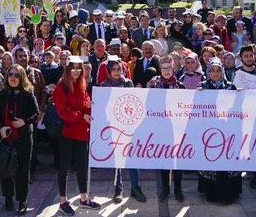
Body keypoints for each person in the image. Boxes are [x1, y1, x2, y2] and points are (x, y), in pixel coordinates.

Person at [53, 56, 100, 216]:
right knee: (64, 167)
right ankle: (63, 201)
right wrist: (82, 115)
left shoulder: (82, 84)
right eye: (73, 67)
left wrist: (88, 108)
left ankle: (84, 198)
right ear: (67, 69)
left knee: (82, 165)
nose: (76, 71)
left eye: (79, 68)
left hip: (81, 132)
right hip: (67, 132)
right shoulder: (62, 86)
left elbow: (86, 102)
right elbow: (62, 111)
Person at [0, 64, 39, 215]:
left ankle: (22, 200)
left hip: (24, 137)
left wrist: (24, 122)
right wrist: (0, 128)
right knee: (6, 167)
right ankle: (8, 197)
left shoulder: (28, 93)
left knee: (23, 169)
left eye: (17, 75)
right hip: (6, 136)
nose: (13, 77)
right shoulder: (1, 94)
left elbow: (36, 114)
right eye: (10, 74)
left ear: (22, 77)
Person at [99, 59, 147, 203]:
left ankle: (135, 187)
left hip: (128, 126)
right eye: (113, 69)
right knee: (117, 158)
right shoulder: (103, 85)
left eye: (118, 69)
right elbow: (102, 107)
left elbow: (133, 102)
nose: (116, 72)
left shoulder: (127, 83)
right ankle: (118, 188)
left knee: (131, 157)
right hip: (112, 126)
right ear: (108, 70)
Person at [197, 58, 241, 203]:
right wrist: (197, 96)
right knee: (211, 162)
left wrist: (241, 96)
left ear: (222, 71)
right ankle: (211, 193)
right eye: (212, 71)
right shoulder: (202, 87)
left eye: (218, 70)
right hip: (209, 132)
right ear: (208, 72)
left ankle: (229, 194)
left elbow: (237, 109)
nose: (215, 74)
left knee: (226, 162)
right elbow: (196, 109)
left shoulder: (231, 87)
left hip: (227, 132)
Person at [147, 56, 186, 202]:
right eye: (164, 69)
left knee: (177, 159)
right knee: (163, 159)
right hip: (160, 128)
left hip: (176, 128)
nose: (166, 71)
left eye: (169, 68)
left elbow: (185, 106)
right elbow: (148, 104)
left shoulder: (180, 85)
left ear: (173, 69)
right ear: (160, 70)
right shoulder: (153, 85)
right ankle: (165, 188)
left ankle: (178, 188)